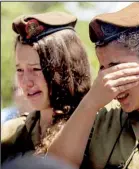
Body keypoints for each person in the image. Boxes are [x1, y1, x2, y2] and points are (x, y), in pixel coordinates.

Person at [48, 2, 139, 169]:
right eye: (102, 68)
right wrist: (89, 104)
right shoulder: (101, 116)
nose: (106, 79)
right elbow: (52, 165)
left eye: (116, 66)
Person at [1, 11, 91, 163]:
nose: (26, 82)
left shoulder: (102, 124)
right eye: (19, 70)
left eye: (36, 69)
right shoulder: (13, 132)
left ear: (66, 69)